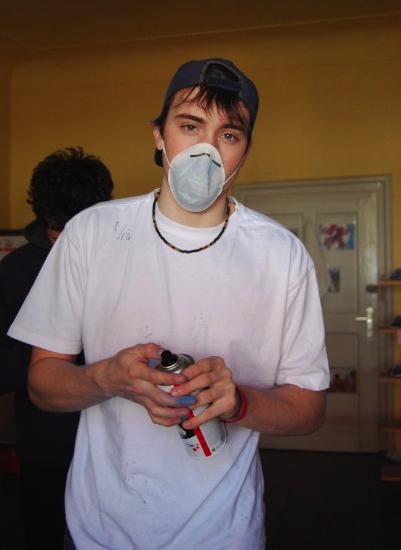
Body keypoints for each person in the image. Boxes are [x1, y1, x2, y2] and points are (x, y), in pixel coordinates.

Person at [8, 59, 329, 550]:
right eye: (190, 126)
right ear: (159, 135)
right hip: (98, 533)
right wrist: (106, 378)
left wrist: (239, 402)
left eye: (228, 135)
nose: (206, 150)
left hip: (223, 534)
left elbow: (308, 410)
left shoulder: (281, 256)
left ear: (245, 151)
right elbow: (41, 384)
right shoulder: (90, 234)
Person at [0, 147, 114, 549]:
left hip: (114, 448)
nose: (70, 242)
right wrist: (51, 343)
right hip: (46, 449)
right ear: (44, 217)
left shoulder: (120, 263)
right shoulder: (15, 272)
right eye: (58, 229)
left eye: (81, 228)